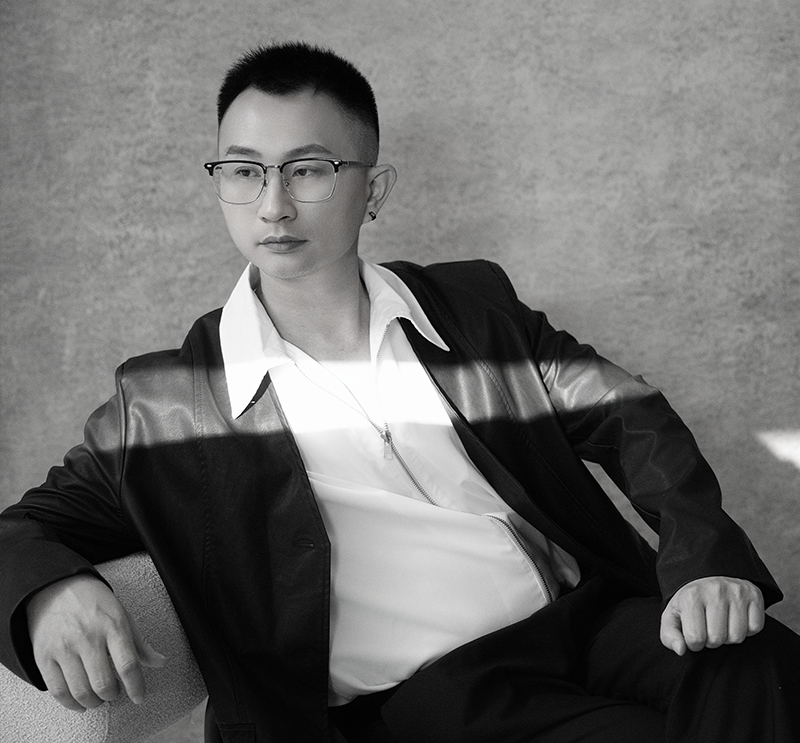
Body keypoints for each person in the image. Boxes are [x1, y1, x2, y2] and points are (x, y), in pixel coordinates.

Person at [0, 41, 798, 743]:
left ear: (373, 189)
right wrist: (46, 591)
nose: (273, 204)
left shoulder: (472, 307)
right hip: (438, 694)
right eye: (243, 171)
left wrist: (703, 561)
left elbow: (626, 413)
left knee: (760, 656)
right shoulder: (167, 404)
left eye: (308, 169)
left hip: (583, 617)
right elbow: (20, 530)